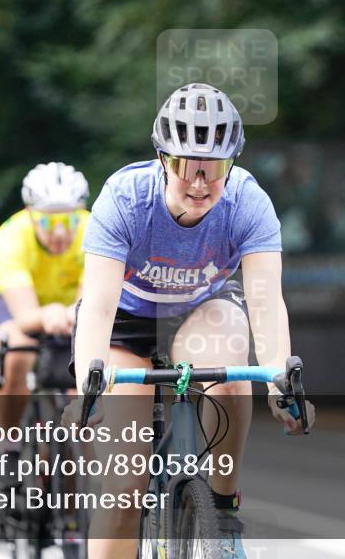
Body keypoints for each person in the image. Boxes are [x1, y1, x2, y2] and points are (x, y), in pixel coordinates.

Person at [69, 83, 317, 559]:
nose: (201, 182)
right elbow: (97, 306)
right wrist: (88, 389)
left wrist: (281, 384)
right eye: (186, 166)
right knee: (124, 489)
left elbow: (266, 302)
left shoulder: (247, 202)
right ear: (162, 160)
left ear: (232, 165)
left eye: (215, 167)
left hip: (201, 310)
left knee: (230, 379)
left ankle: (221, 510)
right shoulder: (124, 199)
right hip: (126, 322)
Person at [0, 161, 90, 438]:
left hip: (67, 308)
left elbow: (91, 304)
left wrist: (72, 314)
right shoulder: (11, 237)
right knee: (16, 351)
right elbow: (26, 318)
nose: (60, 232)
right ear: (30, 214)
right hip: (9, 301)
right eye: (48, 222)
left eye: (70, 220)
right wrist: (49, 313)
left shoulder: (95, 231)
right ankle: (9, 444)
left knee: (86, 367)